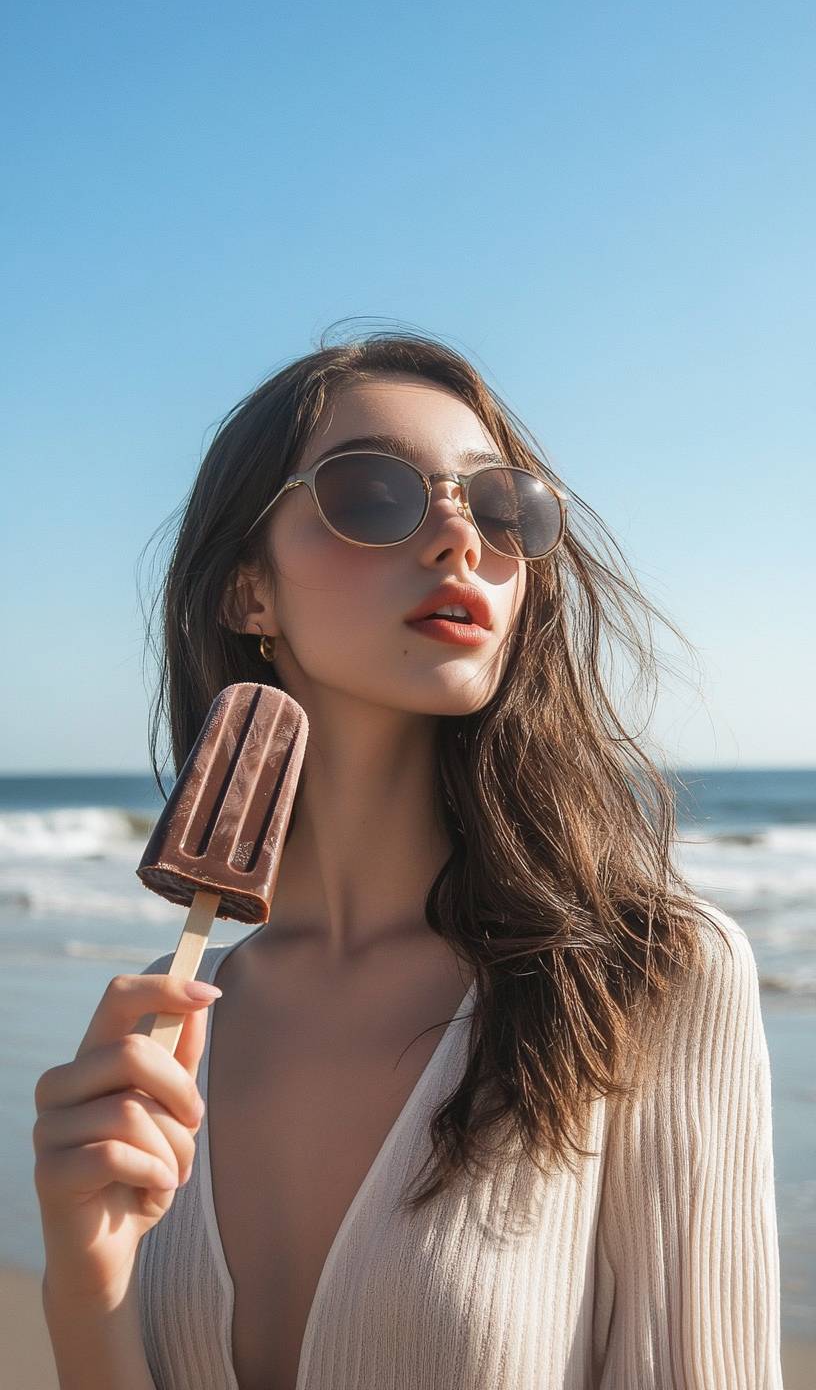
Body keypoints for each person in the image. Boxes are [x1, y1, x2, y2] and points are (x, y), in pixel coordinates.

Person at [33, 328, 783, 1389]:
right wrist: (85, 1279)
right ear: (250, 588)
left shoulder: (648, 978)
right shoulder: (179, 1032)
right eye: (374, 493)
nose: (457, 538)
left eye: (500, 509)